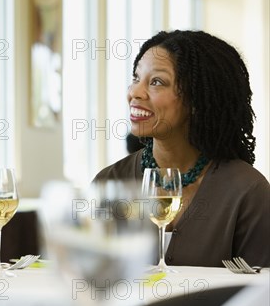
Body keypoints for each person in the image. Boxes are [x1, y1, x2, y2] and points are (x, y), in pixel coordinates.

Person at [94, 30, 270, 267]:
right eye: (136, 78)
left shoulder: (248, 192)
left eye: (156, 82)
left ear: (196, 100)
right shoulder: (110, 182)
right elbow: (91, 277)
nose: (134, 92)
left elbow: (259, 293)